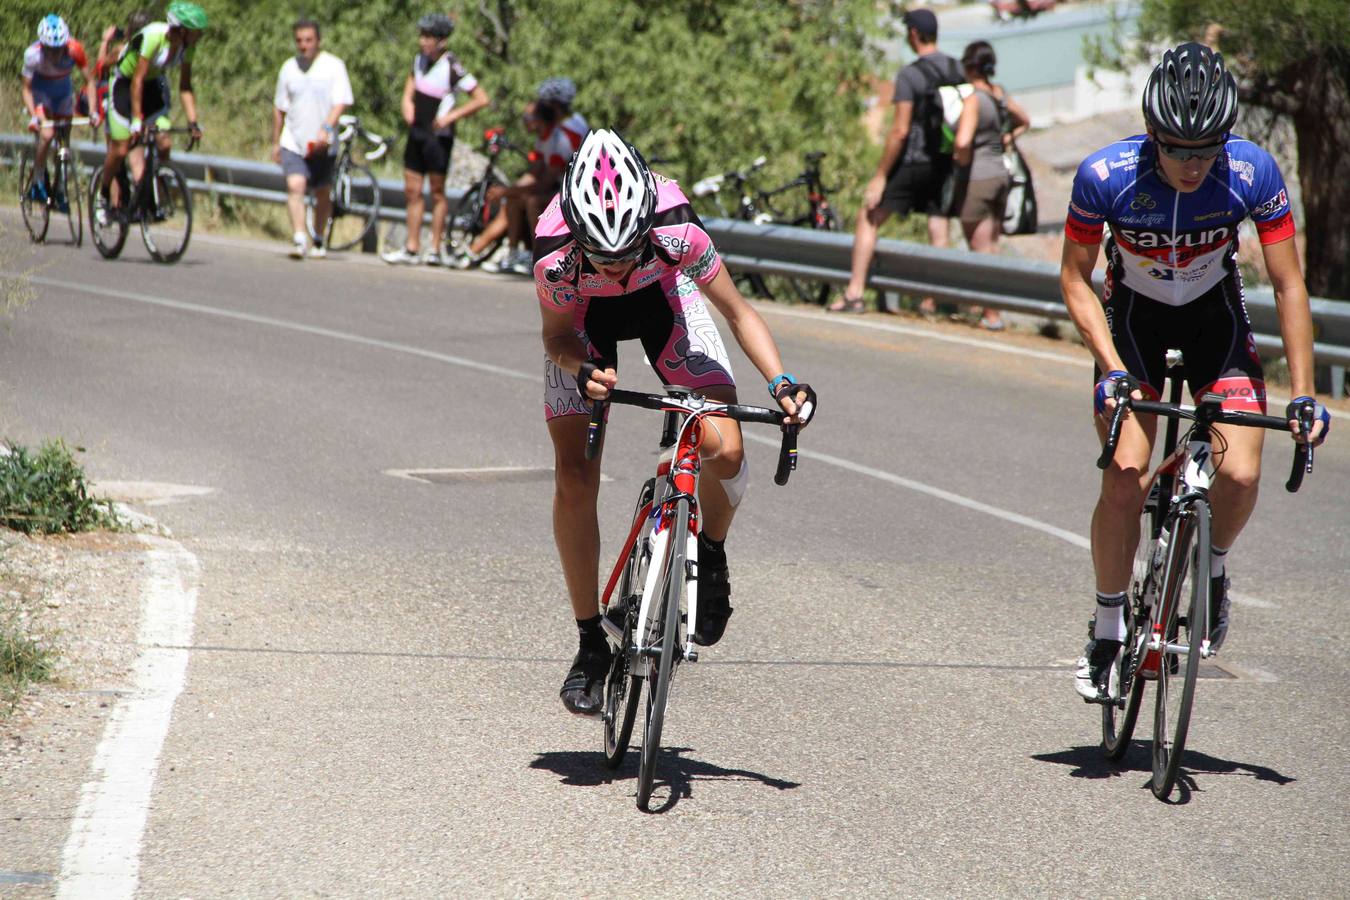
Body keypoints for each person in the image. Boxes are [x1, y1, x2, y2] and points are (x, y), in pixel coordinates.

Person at [1065, 43, 1330, 701]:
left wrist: (1304, 394)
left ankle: (1211, 567)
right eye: (1178, 149)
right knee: (1125, 477)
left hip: (1217, 327)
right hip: (1134, 331)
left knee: (1239, 472)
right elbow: (1073, 278)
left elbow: (1291, 286)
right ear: (1151, 134)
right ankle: (1105, 629)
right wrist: (1110, 368)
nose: (1192, 164)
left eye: (1206, 148)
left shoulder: (1251, 173)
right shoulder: (1107, 174)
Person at [535, 129, 817, 715]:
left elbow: (738, 312)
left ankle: (708, 552)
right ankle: (590, 641)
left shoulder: (676, 227)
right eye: (601, 258)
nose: (612, 270)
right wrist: (582, 367)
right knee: (574, 474)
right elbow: (557, 336)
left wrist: (782, 383)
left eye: (624, 254)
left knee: (729, 452)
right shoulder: (553, 251)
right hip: (585, 329)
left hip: (666, 301)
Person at [829, 8, 961, 314]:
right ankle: (933, 300)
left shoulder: (910, 74)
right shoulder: (957, 68)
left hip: (913, 162)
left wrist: (880, 176)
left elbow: (900, 130)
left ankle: (855, 293)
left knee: (869, 215)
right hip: (944, 162)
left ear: (913, 34)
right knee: (938, 226)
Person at [382, 13, 490, 266]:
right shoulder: (418, 60)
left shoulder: (452, 65)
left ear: (441, 40)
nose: (423, 41)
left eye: (428, 37)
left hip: (438, 137)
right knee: (412, 191)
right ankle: (411, 247)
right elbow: (409, 90)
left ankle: (434, 248)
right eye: (422, 36)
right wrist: (407, 106)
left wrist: (451, 117)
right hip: (417, 133)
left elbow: (481, 98)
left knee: (437, 193)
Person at [458, 78, 589, 274]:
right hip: (559, 183)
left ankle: (540, 256)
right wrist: (508, 191)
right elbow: (536, 171)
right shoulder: (552, 130)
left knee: (533, 201)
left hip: (576, 191)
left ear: (553, 106)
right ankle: (511, 253)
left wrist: (508, 191)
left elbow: (544, 181)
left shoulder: (564, 133)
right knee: (515, 199)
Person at [100, 2, 208, 222]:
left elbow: (185, 87)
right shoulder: (152, 36)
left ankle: (153, 189)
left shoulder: (189, 47)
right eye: (198, 32)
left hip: (151, 85)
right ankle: (103, 194)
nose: (201, 36)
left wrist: (193, 122)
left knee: (164, 140)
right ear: (183, 30)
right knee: (121, 150)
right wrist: (137, 120)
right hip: (125, 84)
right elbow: (136, 81)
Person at [950, 41, 1028, 331]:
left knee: (980, 246)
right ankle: (991, 309)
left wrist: (960, 159)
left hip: (978, 178)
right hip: (1000, 175)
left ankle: (992, 314)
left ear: (969, 66)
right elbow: (1025, 120)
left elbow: (962, 141)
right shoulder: (999, 94)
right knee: (992, 244)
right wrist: (1006, 139)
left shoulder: (974, 99)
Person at [272, 18, 353, 260]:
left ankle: (318, 237)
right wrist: (276, 141)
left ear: (318, 41)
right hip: (293, 140)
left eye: (308, 40)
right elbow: (279, 107)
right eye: (299, 41)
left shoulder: (333, 66)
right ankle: (299, 238)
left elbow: (341, 102)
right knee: (295, 185)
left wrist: (327, 127)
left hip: (323, 144)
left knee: (321, 191)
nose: (303, 45)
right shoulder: (288, 68)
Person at [21, 14, 98, 212]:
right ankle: (37, 180)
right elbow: (26, 89)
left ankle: (60, 187)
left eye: (58, 48)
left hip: (63, 93)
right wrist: (33, 115)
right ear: (42, 45)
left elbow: (89, 81)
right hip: (41, 94)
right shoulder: (33, 54)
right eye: (50, 49)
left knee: (64, 141)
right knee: (47, 135)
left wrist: (93, 111)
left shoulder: (75, 50)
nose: (55, 54)